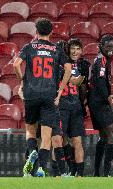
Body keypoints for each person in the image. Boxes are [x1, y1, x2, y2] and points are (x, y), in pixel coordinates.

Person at [13, 18, 72, 177]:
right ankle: (39, 169)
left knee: (31, 132)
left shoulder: (29, 47)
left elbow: (16, 64)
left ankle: (32, 155)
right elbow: (68, 68)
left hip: (31, 94)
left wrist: (22, 81)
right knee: (46, 138)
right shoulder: (56, 49)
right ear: (51, 32)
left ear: (36, 31)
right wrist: (60, 91)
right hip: (49, 95)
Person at [56, 38, 90, 177]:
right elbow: (75, 81)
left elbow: (83, 87)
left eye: (78, 49)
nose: (75, 51)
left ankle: (79, 175)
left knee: (77, 141)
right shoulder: (61, 65)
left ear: (82, 50)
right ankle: (66, 170)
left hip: (75, 106)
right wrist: (82, 76)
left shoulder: (82, 65)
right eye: (72, 48)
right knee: (60, 139)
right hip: (62, 105)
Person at [87, 34, 113, 177]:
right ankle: (106, 173)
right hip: (100, 103)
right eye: (108, 46)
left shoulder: (100, 59)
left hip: (95, 102)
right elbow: (99, 82)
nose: (111, 49)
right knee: (112, 137)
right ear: (101, 46)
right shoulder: (102, 61)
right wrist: (109, 101)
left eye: (112, 46)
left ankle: (97, 173)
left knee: (104, 138)